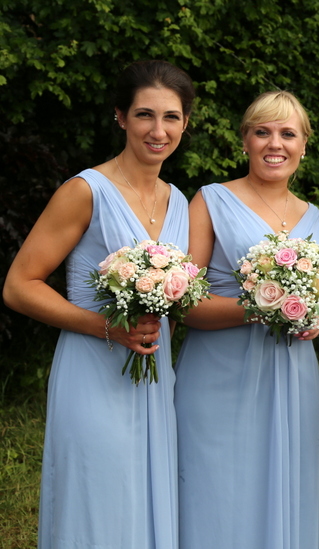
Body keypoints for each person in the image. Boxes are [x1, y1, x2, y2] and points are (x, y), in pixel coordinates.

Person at [2, 60, 194, 548]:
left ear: (185, 123)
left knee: (144, 498)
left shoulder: (179, 202)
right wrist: (104, 327)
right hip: (93, 368)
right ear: (120, 117)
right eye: (144, 115)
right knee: (99, 499)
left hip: (154, 375)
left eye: (171, 117)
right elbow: (19, 285)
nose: (158, 130)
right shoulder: (85, 191)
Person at [173, 90, 319, 548]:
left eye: (287, 133)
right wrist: (262, 306)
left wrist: (312, 317)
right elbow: (185, 305)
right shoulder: (210, 200)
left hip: (292, 376)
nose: (274, 143)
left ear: (304, 144)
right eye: (262, 132)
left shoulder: (314, 217)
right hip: (219, 374)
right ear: (245, 141)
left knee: (287, 485)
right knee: (218, 492)